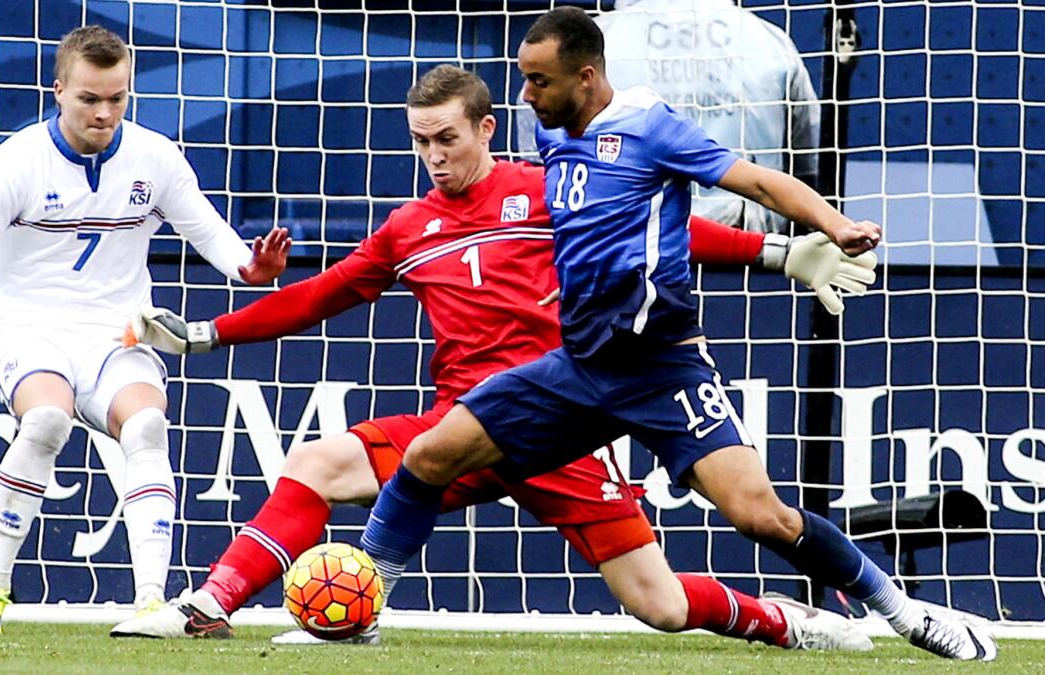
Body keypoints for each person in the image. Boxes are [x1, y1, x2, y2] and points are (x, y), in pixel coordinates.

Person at [109, 64, 874, 651]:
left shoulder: (546, 190)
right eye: (419, 141)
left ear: (485, 130)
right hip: (459, 430)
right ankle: (209, 604)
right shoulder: (408, 228)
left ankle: (787, 621)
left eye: (447, 138)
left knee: (661, 605)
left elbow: (675, 234)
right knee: (316, 463)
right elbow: (320, 296)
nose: (433, 156)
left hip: (559, 425)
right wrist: (212, 332)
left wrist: (778, 252)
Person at [358, 9, 996, 662]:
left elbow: (754, 179)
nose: (526, 94)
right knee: (428, 457)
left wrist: (829, 225)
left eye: (538, 81)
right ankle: (362, 603)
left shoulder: (648, 128)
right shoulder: (552, 138)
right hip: (578, 368)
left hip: (664, 370)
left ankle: (905, 611)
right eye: (524, 79)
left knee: (761, 515)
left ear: (586, 76)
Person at [0, 25, 292, 636]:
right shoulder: (14, 164)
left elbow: (211, 235)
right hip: (24, 329)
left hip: (116, 333)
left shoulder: (154, 157)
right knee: (46, 420)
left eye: (117, 98)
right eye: (89, 99)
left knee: (148, 425)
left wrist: (250, 267)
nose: (104, 113)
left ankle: (153, 603)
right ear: (58, 92)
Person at [515, 0, 820, 234]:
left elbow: (538, 167)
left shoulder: (584, 45)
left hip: (619, 247)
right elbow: (808, 156)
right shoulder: (768, 41)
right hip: (750, 250)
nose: (532, 92)